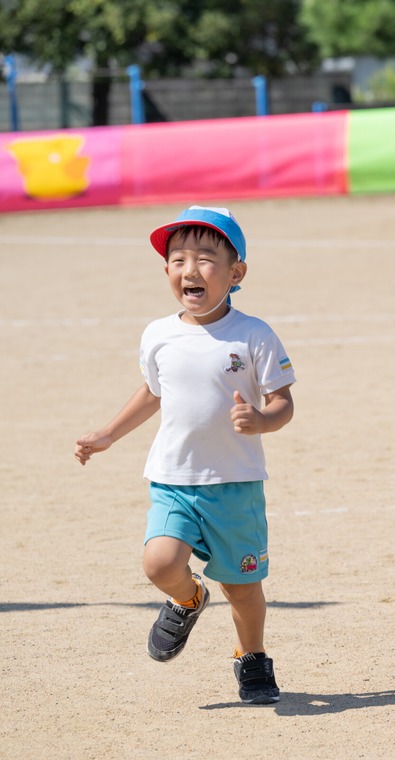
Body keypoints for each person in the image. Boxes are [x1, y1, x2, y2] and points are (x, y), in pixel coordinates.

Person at [74, 206, 296, 705]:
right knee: (159, 563)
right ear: (167, 271)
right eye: (178, 260)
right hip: (173, 478)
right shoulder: (158, 334)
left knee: (242, 587)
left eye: (205, 259)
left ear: (236, 273)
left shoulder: (253, 334)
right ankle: (188, 597)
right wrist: (108, 433)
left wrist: (262, 419)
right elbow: (153, 393)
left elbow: (283, 401)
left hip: (235, 484)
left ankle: (252, 656)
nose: (190, 269)